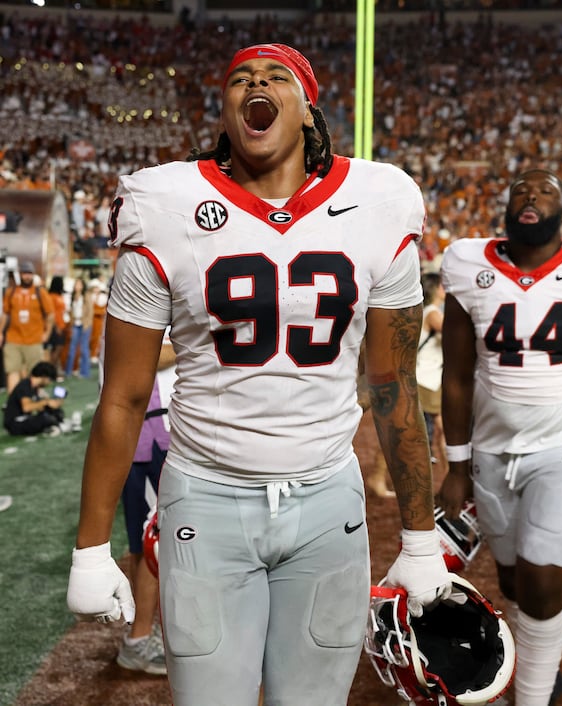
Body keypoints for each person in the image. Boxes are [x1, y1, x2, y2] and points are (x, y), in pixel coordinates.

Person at [67, 43, 453, 706]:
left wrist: (420, 536)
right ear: (226, 109)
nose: (256, 83)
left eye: (276, 77)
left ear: (307, 110)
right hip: (206, 501)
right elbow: (124, 395)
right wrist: (90, 546)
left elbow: (392, 388)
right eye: (240, 78)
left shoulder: (379, 200)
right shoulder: (164, 204)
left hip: (327, 499)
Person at [438, 168, 562, 706]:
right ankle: (534, 658)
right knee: (511, 581)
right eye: (521, 190)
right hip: (492, 447)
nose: (532, 196)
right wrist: (457, 465)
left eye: (546, 190)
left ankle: (529, 695)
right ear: (507, 206)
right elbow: (457, 374)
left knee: (542, 580)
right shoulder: (467, 263)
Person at [116, 333, 176, 675]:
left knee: (159, 538)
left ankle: (142, 636)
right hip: (149, 430)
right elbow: (141, 352)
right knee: (153, 540)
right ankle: (138, 640)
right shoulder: (133, 288)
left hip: (155, 426)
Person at [0, 260, 54, 394]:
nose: (27, 276)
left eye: (29, 273)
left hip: (34, 339)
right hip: (13, 338)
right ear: (20, 274)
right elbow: (5, 314)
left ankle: (32, 398)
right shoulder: (11, 292)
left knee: (34, 373)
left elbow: (50, 315)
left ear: (33, 275)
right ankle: (13, 400)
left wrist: (47, 333)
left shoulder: (40, 293)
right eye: (24, 273)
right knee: (12, 371)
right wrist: (0, 332)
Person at [416, 270, 447, 474]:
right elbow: (452, 330)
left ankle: (449, 474)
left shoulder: (428, 310)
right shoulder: (432, 313)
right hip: (426, 379)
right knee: (417, 432)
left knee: (441, 429)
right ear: (436, 289)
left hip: (430, 378)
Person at [3, 361, 65, 436]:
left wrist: (51, 405)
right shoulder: (25, 386)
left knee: (54, 412)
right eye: (49, 380)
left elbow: (37, 407)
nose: (49, 383)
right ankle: (51, 426)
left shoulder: (33, 387)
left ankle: (54, 424)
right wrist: (46, 402)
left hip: (24, 418)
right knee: (44, 419)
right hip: (15, 422)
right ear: (44, 377)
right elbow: (27, 407)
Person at [64, 277, 93, 379]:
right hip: (75, 323)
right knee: (72, 348)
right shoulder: (73, 296)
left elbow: (90, 311)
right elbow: (71, 310)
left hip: (84, 324)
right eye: (76, 284)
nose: (77, 286)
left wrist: (88, 323)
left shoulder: (86, 296)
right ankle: (68, 371)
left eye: (79, 284)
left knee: (84, 349)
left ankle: (85, 372)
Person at [43, 275, 67, 378]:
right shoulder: (51, 296)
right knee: (55, 349)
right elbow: (52, 313)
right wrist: (56, 326)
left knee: (58, 349)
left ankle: (53, 371)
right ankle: (50, 372)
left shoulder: (60, 296)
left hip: (62, 325)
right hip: (55, 327)